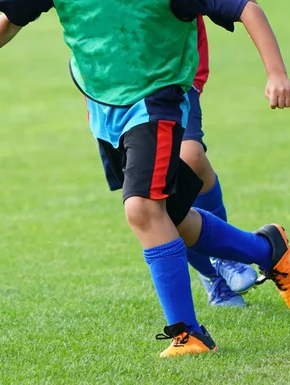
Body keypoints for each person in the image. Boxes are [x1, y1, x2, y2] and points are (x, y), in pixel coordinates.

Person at [0, 0, 290, 357]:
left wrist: (276, 73)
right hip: (104, 108)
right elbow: (13, 16)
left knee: (143, 210)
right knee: (173, 218)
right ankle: (268, 250)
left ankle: (188, 332)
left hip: (156, 101)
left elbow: (247, 9)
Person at [97, 15, 257, 308]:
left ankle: (226, 257)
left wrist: (276, 73)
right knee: (161, 203)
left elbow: (245, 8)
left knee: (191, 156)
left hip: (171, 80)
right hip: (110, 99)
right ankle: (216, 274)